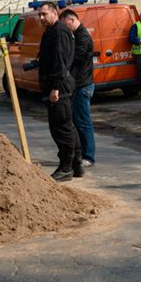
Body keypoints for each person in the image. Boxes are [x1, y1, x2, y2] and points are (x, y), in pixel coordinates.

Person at [36, 2, 83, 182]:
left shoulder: (60, 32)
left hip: (59, 87)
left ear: (55, 14)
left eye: (44, 14)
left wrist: (55, 87)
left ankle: (66, 167)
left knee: (61, 128)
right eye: (39, 15)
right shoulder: (51, 31)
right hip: (56, 85)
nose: (41, 18)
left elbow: (61, 62)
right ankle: (76, 164)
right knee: (67, 126)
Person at [60, 9, 96, 168]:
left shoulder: (83, 37)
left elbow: (75, 59)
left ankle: (88, 156)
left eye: (65, 24)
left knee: (83, 122)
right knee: (77, 121)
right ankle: (80, 154)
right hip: (78, 85)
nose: (65, 28)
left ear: (71, 20)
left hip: (83, 85)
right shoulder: (77, 35)